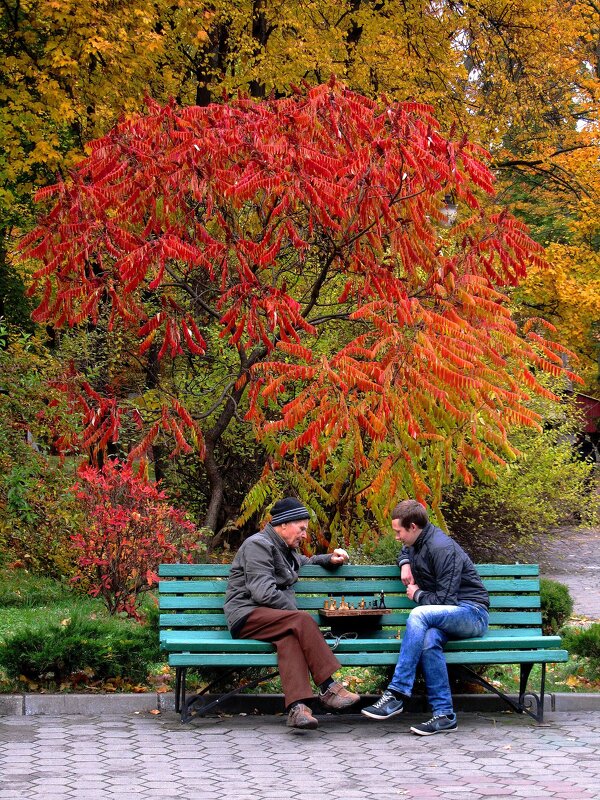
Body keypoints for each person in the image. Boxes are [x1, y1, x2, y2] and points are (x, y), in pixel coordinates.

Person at [224, 497, 360, 729]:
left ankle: (298, 709)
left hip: (270, 618)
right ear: (284, 524)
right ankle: (328, 687)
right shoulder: (258, 545)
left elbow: (304, 561)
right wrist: (296, 617)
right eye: (302, 529)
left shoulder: (283, 548)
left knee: (290, 639)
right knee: (301, 621)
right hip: (247, 615)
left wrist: (329, 559)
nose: (305, 535)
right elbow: (263, 593)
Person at [361, 499, 489, 736]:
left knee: (419, 614)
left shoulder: (442, 548)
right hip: (447, 617)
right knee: (429, 641)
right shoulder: (417, 541)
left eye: (398, 531)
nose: (397, 537)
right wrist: (405, 562)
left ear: (412, 527)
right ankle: (444, 715)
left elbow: (446, 602)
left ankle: (397, 693)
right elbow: (405, 549)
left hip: (472, 613)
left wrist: (418, 594)